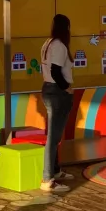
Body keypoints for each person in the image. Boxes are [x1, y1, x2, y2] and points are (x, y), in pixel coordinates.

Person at [40, 14, 76, 193]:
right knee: (53, 138)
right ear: (66, 28)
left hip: (49, 89)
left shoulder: (48, 43)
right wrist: (67, 88)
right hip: (57, 92)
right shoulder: (60, 46)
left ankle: (54, 171)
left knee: (53, 137)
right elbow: (55, 71)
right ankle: (47, 179)